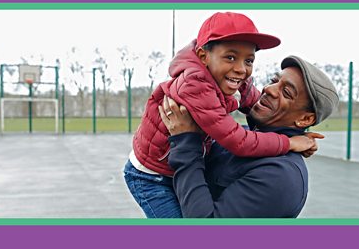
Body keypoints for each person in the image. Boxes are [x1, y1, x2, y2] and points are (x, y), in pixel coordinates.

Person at [123, 12, 316, 218]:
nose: (241, 69)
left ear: (305, 119)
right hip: (151, 177)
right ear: (204, 56)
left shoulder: (280, 176)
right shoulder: (195, 85)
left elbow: (251, 99)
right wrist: (289, 142)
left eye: (249, 60)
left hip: (168, 169)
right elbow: (238, 141)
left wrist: (295, 135)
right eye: (231, 57)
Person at [159, 55, 339, 218]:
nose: (269, 89)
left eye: (286, 93)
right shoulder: (242, 134)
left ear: (305, 119)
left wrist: (186, 141)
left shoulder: (280, 176)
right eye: (274, 81)